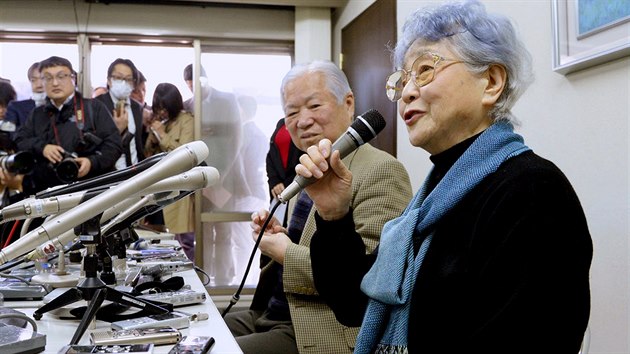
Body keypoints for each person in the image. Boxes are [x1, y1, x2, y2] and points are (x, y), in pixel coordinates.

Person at [304, 2, 593, 353]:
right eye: (403, 79)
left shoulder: (533, 192)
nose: (407, 92)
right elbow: (354, 305)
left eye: (425, 70)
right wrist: (334, 216)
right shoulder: (428, 201)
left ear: (491, 81)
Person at [223, 60, 413, 354]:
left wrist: (285, 251)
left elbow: (370, 279)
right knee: (194, 332)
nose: (302, 121)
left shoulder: (381, 170)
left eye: (314, 106)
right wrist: (277, 235)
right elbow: (318, 244)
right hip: (270, 313)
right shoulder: (308, 170)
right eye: (292, 112)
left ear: (348, 103)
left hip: (319, 325)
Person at [15, 56, 122, 195]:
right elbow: (20, 141)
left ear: (73, 78)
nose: (55, 83)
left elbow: (114, 145)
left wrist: (92, 162)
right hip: (48, 194)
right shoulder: (37, 114)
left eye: (61, 76)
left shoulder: (94, 108)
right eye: (48, 78)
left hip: (91, 192)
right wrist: (43, 147)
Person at [183, 63, 244, 285]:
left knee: (225, 231)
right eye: (189, 85)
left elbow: (237, 137)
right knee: (204, 232)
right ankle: (206, 279)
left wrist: (224, 174)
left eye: (196, 83)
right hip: (200, 180)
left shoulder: (227, 100)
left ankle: (224, 281)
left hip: (226, 176)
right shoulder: (186, 105)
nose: (193, 89)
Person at [144, 83, 195, 261]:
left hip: (180, 187)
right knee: (161, 238)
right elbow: (148, 153)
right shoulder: (162, 123)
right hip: (159, 186)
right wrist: (152, 133)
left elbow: (184, 153)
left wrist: (162, 134)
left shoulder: (187, 120)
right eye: (159, 108)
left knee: (185, 239)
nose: (162, 112)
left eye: (165, 108)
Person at [95, 58, 145, 170]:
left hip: (135, 172)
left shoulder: (137, 108)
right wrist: (116, 130)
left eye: (128, 79)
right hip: (108, 174)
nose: (123, 83)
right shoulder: (96, 105)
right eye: (118, 78)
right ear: (109, 80)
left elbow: (137, 143)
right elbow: (92, 146)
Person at [266, 117, 301, 224]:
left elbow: (304, 155)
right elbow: (271, 155)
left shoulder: (305, 123)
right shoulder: (282, 122)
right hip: (277, 188)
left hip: (297, 184)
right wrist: (274, 181)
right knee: (275, 226)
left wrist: (286, 185)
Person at [4, 62, 45, 139]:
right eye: (34, 80)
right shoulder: (16, 107)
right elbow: (10, 134)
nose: (39, 85)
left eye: (43, 79)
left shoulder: (61, 107)